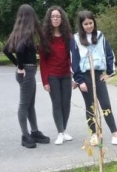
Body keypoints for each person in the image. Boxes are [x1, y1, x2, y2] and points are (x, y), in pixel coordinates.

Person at [70, 10, 117, 146]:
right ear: (81, 25)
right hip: (84, 76)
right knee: (90, 106)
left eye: (91, 23)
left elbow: (109, 53)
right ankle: (94, 135)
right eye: (85, 24)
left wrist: (109, 72)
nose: (89, 26)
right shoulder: (75, 39)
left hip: (98, 74)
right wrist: (79, 81)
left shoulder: (100, 36)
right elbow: (74, 60)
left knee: (105, 104)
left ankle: (115, 134)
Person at [3, 4, 51, 149]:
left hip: (27, 73)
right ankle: (26, 135)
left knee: (29, 104)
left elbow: (6, 50)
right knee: (25, 105)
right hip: (27, 72)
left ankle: (34, 132)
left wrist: (18, 65)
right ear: (31, 17)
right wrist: (21, 67)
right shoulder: (27, 33)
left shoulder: (18, 32)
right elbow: (19, 49)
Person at [39, 6, 74, 145]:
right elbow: (42, 61)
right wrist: (45, 81)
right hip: (52, 75)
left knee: (66, 104)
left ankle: (64, 130)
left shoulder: (68, 37)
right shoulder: (45, 38)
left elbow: (73, 57)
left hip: (66, 75)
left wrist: (74, 76)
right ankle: (60, 132)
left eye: (58, 16)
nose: (55, 19)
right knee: (57, 104)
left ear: (62, 19)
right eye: (53, 16)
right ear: (49, 19)